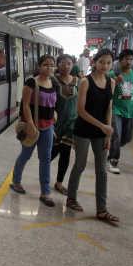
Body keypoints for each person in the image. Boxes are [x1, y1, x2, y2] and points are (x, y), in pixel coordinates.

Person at [66, 49, 119, 225]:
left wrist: (108, 132)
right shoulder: (84, 82)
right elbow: (81, 111)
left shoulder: (111, 82)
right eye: (102, 62)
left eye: (109, 63)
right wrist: (102, 126)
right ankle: (71, 198)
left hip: (101, 132)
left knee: (102, 171)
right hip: (83, 130)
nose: (105, 66)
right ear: (94, 62)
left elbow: (109, 108)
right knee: (80, 165)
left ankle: (101, 210)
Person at [10, 55, 57, 207]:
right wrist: (30, 123)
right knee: (26, 155)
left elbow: (52, 104)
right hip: (33, 127)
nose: (49, 68)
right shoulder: (31, 82)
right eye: (45, 65)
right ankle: (16, 181)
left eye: (51, 65)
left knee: (46, 159)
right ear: (39, 66)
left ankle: (45, 192)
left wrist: (53, 119)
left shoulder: (53, 82)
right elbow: (25, 105)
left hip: (48, 127)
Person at [107, 49, 133, 174]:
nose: (129, 62)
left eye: (131, 59)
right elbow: (104, 91)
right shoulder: (113, 74)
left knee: (128, 137)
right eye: (126, 59)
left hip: (131, 111)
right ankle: (113, 160)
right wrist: (114, 83)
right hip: (115, 110)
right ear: (121, 60)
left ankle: (114, 147)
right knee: (117, 135)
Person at [50, 54, 78, 195]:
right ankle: (44, 178)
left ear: (72, 65)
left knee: (65, 154)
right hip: (55, 124)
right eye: (62, 63)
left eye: (69, 63)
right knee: (50, 153)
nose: (66, 66)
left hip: (71, 125)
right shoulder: (52, 80)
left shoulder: (78, 81)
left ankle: (59, 183)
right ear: (58, 64)